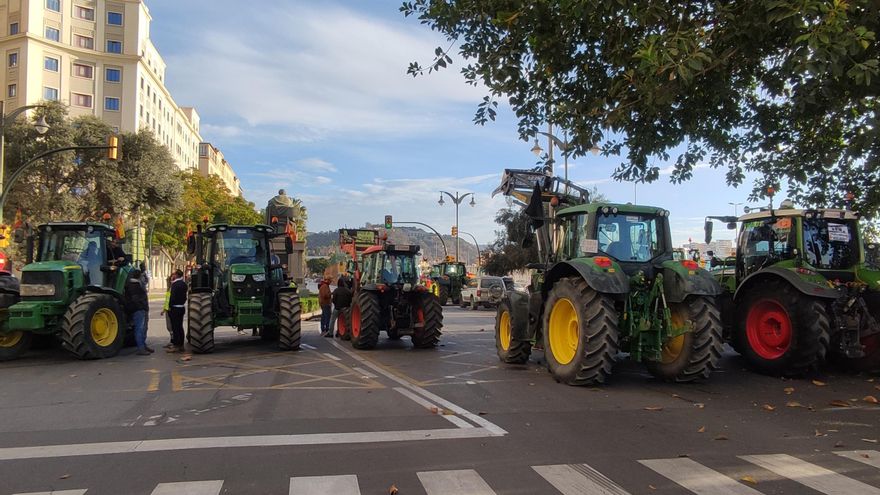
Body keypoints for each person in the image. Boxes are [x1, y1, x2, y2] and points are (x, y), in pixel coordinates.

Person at [124, 268, 151, 355]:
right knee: (139, 329)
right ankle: (141, 348)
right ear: (139, 276)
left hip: (141, 308)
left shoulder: (137, 284)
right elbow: (136, 299)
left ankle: (143, 345)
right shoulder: (134, 285)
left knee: (143, 328)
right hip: (139, 309)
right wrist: (142, 306)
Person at [167, 269, 187, 353]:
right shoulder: (184, 284)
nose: (172, 276)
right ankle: (181, 345)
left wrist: (169, 306)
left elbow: (172, 297)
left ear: (176, 275)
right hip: (181, 307)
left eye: (174, 274)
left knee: (175, 327)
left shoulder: (174, 285)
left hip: (174, 308)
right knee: (180, 327)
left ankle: (176, 345)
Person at [160, 275, 173, 349]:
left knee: (170, 326)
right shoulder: (169, 289)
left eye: (167, 281)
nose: (167, 283)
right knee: (169, 326)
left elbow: (169, 300)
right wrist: (164, 310)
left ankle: (172, 341)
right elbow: (167, 301)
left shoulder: (171, 289)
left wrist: (166, 309)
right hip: (167, 309)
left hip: (170, 309)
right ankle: (171, 341)